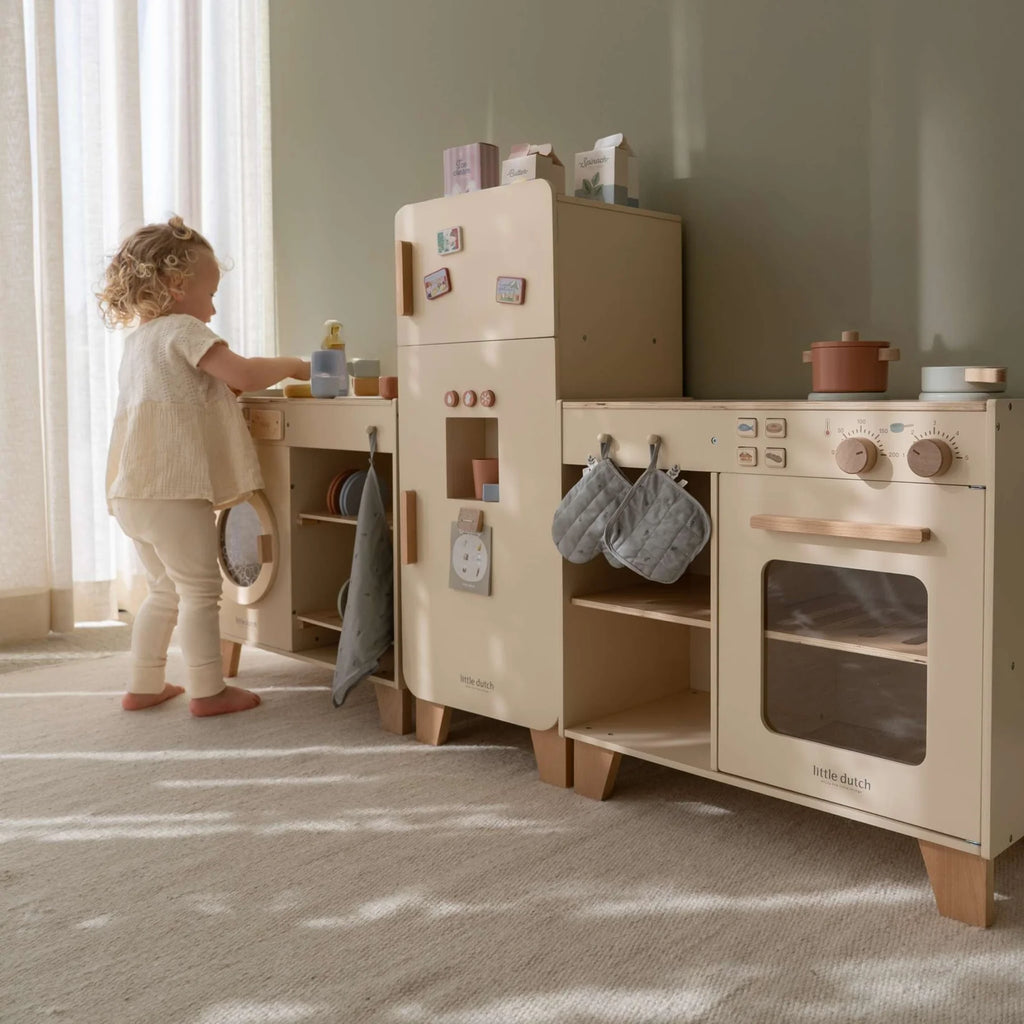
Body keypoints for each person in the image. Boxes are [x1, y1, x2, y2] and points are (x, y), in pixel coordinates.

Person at [98, 215, 310, 717]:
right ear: (177, 285)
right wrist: (294, 365)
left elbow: (187, 394)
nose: (213, 308)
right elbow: (243, 373)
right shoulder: (184, 330)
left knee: (164, 590)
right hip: (171, 491)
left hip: (132, 492)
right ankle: (209, 690)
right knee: (200, 591)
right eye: (210, 294)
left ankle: (144, 684)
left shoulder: (139, 342)